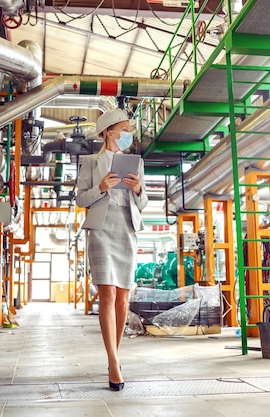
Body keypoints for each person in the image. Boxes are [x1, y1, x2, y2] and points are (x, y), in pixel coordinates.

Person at [75, 108, 148, 391]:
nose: (128, 134)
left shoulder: (136, 162)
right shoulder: (92, 163)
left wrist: (139, 190)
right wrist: (101, 187)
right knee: (107, 294)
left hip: (127, 228)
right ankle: (114, 364)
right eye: (123, 128)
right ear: (108, 131)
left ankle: (113, 357)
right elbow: (81, 199)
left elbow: (143, 204)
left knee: (123, 300)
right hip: (101, 228)